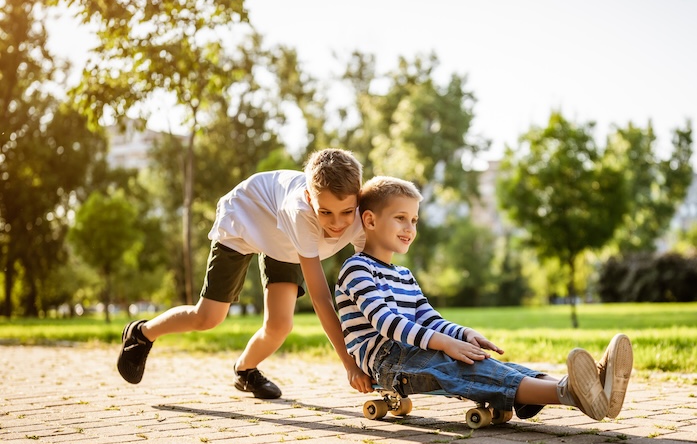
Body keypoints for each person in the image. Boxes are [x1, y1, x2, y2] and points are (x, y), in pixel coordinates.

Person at [334, 176, 633, 422]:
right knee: (473, 370)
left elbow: (429, 319)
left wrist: (462, 334)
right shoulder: (356, 268)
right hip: (389, 361)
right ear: (370, 220)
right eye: (400, 218)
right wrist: (446, 343)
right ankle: (573, 393)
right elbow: (386, 323)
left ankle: (595, 388)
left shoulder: (404, 275)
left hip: (415, 350)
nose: (410, 229)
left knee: (499, 367)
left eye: (414, 220)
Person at [117, 148, 374, 399]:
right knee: (208, 317)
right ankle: (141, 334)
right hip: (245, 218)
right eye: (325, 212)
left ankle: (245, 370)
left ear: (358, 198)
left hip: (284, 243)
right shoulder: (300, 214)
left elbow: (372, 278)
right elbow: (320, 298)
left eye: (346, 212)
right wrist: (349, 364)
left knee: (280, 326)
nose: (337, 223)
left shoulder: (365, 217)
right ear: (309, 198)